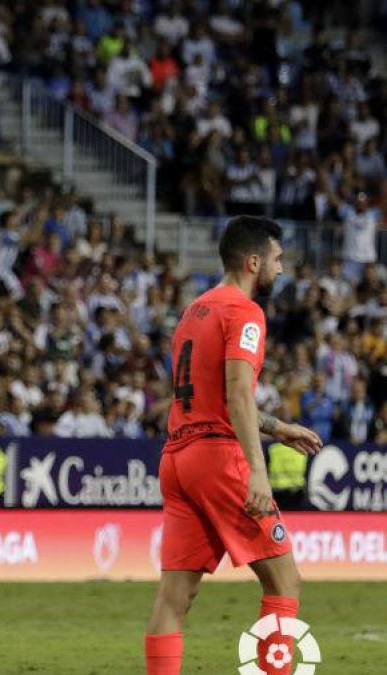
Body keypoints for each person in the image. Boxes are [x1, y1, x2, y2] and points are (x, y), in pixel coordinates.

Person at [144, 216, 323, 675]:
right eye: (278, 260)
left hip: (177, 458)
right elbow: (238, 393)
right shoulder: (245, 312)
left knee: (175, 596)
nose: (281, 270)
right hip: (218, 459)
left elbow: (212, 395)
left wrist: (277, 425)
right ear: (253, 261)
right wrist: (257, 470)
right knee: (285, 580)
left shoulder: (196, 311)